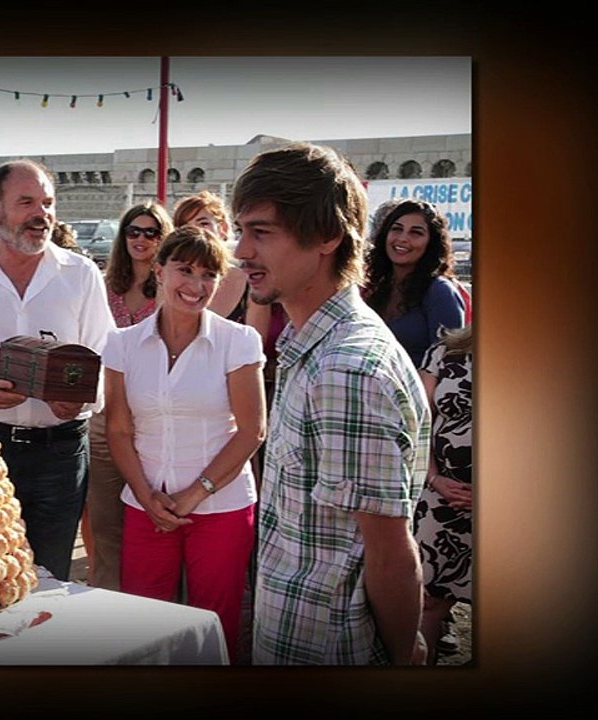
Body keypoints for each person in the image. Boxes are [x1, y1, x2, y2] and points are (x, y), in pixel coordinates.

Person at [233, 142, 432, 665]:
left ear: (326, 237)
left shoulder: (344, 370)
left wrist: (403, 654)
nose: (240, 252)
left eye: (261, 232)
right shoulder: (315, 347)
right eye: (241, 231)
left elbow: (390, 556)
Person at [0, 159, 115, 582]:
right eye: (27, 202)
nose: (43, 214)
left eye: (48, 203)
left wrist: (78, 398)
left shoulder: (81, 275)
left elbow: (106, 361)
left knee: (50, 578)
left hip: (60, 453)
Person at [104, 226, 266, 662]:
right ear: (158, 270)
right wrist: (146, 496)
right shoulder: (121, 344)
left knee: (217, 622)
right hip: (147, 508)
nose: (196, 286)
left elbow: (252, 430)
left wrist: (194, 495)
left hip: (222, 508)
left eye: (209, 275)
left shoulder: (239, 340)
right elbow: (118, 430)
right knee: (141, 623)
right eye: (185, 270)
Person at [82, 200, 173, 591]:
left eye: (151, 232)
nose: (141, 239)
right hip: (105, 417)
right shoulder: (103, 286)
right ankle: (106, 601)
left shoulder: (174, 286)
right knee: (104, 522)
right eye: (133, 231)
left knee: (154, 518)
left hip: (154, 420)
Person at [413, 325, 473, 665]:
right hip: (442, 500)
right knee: (429, 601)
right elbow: (419, 422)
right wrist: (433, 478)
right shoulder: (445, 352)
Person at [362, 199, 466, 367]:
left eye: (416, 233)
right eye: (396, 229)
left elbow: (450, 363)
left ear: (431, 243)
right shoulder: (377, 287)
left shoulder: (440, 291)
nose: (403, 238)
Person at [173, 190, 249, 324]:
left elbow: (256, 340)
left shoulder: (250, 281)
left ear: (223, 228)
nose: (196, 232)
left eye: (203, 223)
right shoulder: (168, 278)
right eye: (186, 227)